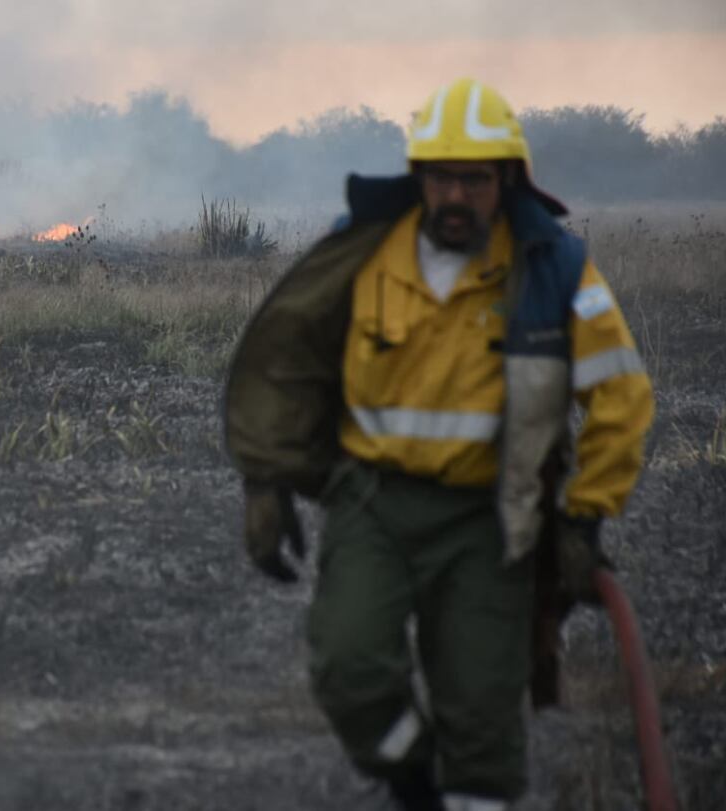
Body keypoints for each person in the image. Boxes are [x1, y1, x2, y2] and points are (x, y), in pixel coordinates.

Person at [223, 78, 654, 810]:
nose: (456, 196)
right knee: (350, 669)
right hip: (373, 505)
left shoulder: (551, 266)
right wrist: (265, 480)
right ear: (418, 177)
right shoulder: (361, 250)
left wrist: (584, 516)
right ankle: (415, 785)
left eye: (474, 180)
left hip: (489, 522)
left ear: (506, 180)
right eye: (441, 177)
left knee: (480, 716)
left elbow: (621, 394)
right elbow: (286, 360)